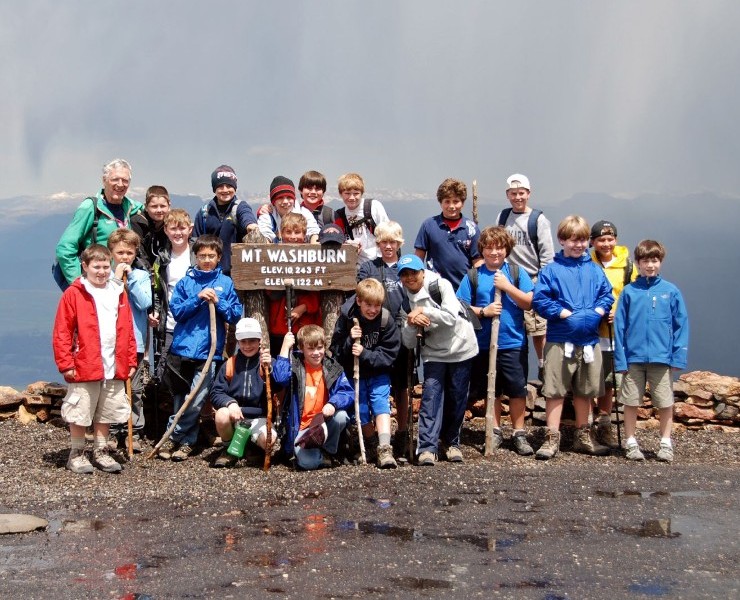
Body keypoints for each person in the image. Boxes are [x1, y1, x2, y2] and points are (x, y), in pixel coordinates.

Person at [532, 216, 614, 460]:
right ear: (562, 240)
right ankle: (551, 439)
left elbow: (606, 295)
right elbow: (540, 299)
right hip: (560, 340)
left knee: (585, 391)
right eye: (572, 240)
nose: (578, 245)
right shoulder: (552, 270)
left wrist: (598, 311)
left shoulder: (594, 270)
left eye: (582, 240)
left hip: (589, 341)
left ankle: (583, 436)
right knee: (555, 390)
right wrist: (563, 313)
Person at [52, 244, 137, 474]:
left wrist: (130, 360)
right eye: (96, 267)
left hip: (113, 362)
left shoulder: (118, 291)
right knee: (81, 409)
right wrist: (66, 363)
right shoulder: (75, 293)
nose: (101, 272)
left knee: (106, 410)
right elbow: (62, 331)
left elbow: (127, 328)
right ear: (85, 266)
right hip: (85, 362)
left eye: (105, 266)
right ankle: (77, 454)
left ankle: (101, 452)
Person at [158, 235, 243, 461]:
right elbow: (178, 312)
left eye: (211, 256)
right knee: (181, 399)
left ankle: (172, 435)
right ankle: (187, 442)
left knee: (196, 400)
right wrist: (197, 298)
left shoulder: (225, 283)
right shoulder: (186, 283)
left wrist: (219, 302)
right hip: (182, 348)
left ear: (218, 258)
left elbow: (235, 314)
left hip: (209, 352)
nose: (206, 260)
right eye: (202, 255)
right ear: (196, 256)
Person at [456, 226, 535, 455]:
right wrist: (484, 311)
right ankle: (496, 429)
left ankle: (519, 433)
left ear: (506, 249)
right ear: (482, 249)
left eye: (499, 247)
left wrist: (507, 287)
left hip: (513, 341)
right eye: (489, 247)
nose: (494, 252)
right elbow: (461, 308)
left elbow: (529, 302)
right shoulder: (474, 276)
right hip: (483, 343)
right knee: (493, 389)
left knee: (517, 389)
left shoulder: (516, 273)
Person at [397, 254, 478, 466]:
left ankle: (452, 443)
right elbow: (408, 343)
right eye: (404, 274)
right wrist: (411, 323)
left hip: (461, 347)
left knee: (457, 397)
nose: (409, 278)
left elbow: (451, 317)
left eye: (413, 272)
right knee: (431, 397)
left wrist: (424, 311)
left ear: (422, 272)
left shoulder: (440, 285)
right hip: (433, 352)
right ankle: (427, 448)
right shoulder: (403, 299)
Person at [614, 240, 689, 463]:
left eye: (654, 260)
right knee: (630, 401)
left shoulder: (670, 291)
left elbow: (681, 324)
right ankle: (630, 442)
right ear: (637, 263)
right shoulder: (629, 292)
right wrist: (621, 359)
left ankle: (665, 443)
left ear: (661, 261)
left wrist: (678, 355)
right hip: (634, 358)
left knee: (665, 402)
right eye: (645, 261)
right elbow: (619, 327)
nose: (650, 265)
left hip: (661, 357)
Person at [331, 278, 401, 468]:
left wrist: (365, 354)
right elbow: (336, 350)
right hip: (355, 374)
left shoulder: (386, 319)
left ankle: (385, 448)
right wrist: (349, 341)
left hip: (378, 371)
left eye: (377, 305)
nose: (373, 310)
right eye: (368, 305)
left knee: (380, 404)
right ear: (359, 301)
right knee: (360, 410)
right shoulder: (347, 318)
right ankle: (371, 444)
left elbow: (390, 353)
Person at [357, 221, 411, 457]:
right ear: (377, 244)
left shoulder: (408, 268)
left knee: (402, 387)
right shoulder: (369, 268)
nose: (388, 246)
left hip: (404, 335)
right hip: (376, 336)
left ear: (400, 243)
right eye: (383, 242)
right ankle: (375, 436)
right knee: (375, 386)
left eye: (393, 242)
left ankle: (403, 432)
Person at [496, 174, 555, 378]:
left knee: (539, 328)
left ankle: (543, 366)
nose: (518, 197)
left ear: (528, 194)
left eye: (521, 193)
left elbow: (547, 256)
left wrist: (544, 284)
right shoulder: (503, 217)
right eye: (513, 193)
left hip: (533, 279)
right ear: (507, 195)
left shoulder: (538, 220)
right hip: (508, 279)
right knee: (513, 325)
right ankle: (516, 370)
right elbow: (497, 243)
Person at [273, 325, 354, 470]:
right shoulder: (295, 364)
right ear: (301, 348)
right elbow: (280, 378)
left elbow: (347, 393)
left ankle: (327, 451)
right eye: (310, 349)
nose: (316, 353)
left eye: (320, 348)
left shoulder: (331, 367)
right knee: (307, 463)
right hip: (302, 429)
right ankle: (316, 455)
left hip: (324, 424)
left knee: (341, 416)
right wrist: (285, 348)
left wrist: (333, 404)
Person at [55, 158, 143, 289]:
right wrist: (79, 285)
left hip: (120, 283)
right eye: (115, 179)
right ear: (104, 180)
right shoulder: (90, 207)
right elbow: (65, 248)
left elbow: (151, 208)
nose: (120, 184)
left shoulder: (129, 206)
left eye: (125, 180)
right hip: (94, 284)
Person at [589, 220, 638, 448]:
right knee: (589, 379)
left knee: (608, 381)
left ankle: (605, 423)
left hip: (614, 333)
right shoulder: (587, 262)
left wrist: (618, 313)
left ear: (615, 240)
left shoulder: (627, 266)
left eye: (610, 239)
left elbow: (635, 297)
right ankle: (588, 425)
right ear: (593, 242)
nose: (606, 244)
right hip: (590, 331)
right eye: (601, 239)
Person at [106, 229, 152, 452]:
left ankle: (134, 430)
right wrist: (116, 279)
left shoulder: (141, 276)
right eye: (120, 252)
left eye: (129, 253)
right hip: (112, 343)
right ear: (111, 253)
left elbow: (144, 303)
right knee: (114, 389)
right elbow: (106, 304)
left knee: (135, 390)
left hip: (136, 343)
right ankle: (114, 431)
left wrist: (131, 278)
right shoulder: (106, 278)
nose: (124, 257)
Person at [210, 318, 277, 468]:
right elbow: (216, 392)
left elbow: (279, 386)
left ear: (259, 340)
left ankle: (250, 446)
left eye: (252, 341)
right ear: (238, 342)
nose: (247, 346)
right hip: (236, 417)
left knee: (269, 440)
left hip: (259, 418)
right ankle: (229, 449)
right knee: (221, 415)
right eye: (243, 341)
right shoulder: (229, 364)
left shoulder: (267, 363)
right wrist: (230, 403)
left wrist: (271, 369)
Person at [265, 213, 322, 355]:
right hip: (278, 325)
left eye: (297, 232)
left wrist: (303, 307)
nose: (293, 237)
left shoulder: (313, 257)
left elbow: (318, 288)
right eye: (288, 232)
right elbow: (266, 285)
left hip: (305, 326)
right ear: (280, 233)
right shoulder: (272, 256)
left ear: (304, 234)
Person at [413, 178, 481, 291]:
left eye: (456, 201)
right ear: (441, 202)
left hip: (463, 289)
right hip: (434, 288)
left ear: (463, 203)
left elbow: (477, 260)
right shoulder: (429, 225)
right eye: (447, 201)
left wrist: (479, 286)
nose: (451, 206)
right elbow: (418, 257)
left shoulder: (472, 228)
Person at [151, 209, 196, 377]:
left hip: (194, 325)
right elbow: (158, 289)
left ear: (190, 229)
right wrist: (155, 310)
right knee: (166, 372)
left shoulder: (197, 254)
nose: (178, 233)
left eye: (182, 228)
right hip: (170, 324)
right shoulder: (162, 258)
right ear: (166, 230)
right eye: (173, 229)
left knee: (192, 372)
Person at [193, 164, 258, 275]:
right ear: (214, 189)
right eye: (220, 186)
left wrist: (251, 225)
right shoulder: (204, 213)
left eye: (229, 186)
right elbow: (195, 243)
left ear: (235, 187)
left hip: (237, 275)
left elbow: (246, 215)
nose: (225, 190)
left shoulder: (240, 207)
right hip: (209, 274)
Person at [333, 172, 389, 263]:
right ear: (341, 194)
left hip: (378, 263)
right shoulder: (340, 214)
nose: (351, 197)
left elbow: (388, 233)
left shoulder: (373, 207)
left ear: (362, 193)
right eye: (347, 193)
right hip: (355, 266)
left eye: (356, 193)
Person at [257, 176, 320, 242]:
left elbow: (313, 231)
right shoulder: (267, 215)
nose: (285, 202)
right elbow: (264, 234)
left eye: (289, 197)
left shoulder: (304, 213)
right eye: (280, 198)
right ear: (274, 201)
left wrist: (315, 247)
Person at [130, 185, 171, 271]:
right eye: (154, 206)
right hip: (142, 268)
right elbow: (139, 251)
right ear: (146, 206)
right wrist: (149, 272)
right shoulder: (138, 223)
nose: (159, 210)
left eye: (163, 206)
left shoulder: (171, 223)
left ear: (169, 206)